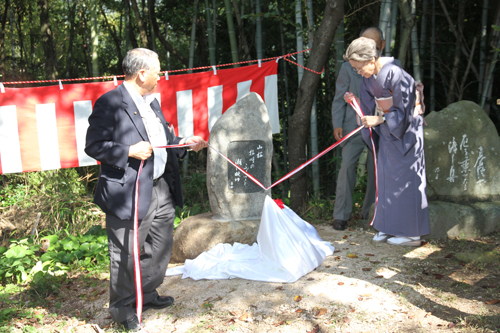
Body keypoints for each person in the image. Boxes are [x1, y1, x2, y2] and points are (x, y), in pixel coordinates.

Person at [85, 48, 207, 331]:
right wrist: (127, 150)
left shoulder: (151, 102)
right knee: (127, 253)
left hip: (160, 186)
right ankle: (122, 307)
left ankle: (147, 293)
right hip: (128, 192)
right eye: (157, 71)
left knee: (160, 247)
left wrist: (183, 142)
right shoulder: (110, 103)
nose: (161, 76)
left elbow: (163, 139)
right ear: (142, 74)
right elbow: (94, 145)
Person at [344, 37, 430, 246]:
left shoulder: (396, 74)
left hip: (405, 131)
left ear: (371, 59)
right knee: (386, 180)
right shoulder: (368, 79)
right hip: (386, 130)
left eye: (359, 67)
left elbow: (407, 109)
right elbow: (366, 107)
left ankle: (411, 233)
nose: (358, 72)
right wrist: (356, 105)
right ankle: (388, 227)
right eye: (354, 69)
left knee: (406, 181)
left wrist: (380, 119)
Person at [331, 27, 386, 231]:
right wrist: (337, 123)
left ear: (380, 45)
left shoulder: (386, 67)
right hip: (352, 126)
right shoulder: (348, 67)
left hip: (378, 126)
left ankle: (370, 213)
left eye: (372, 44)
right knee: (346, 167)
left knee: (376, 170)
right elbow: (339, 97)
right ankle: (340, 215)